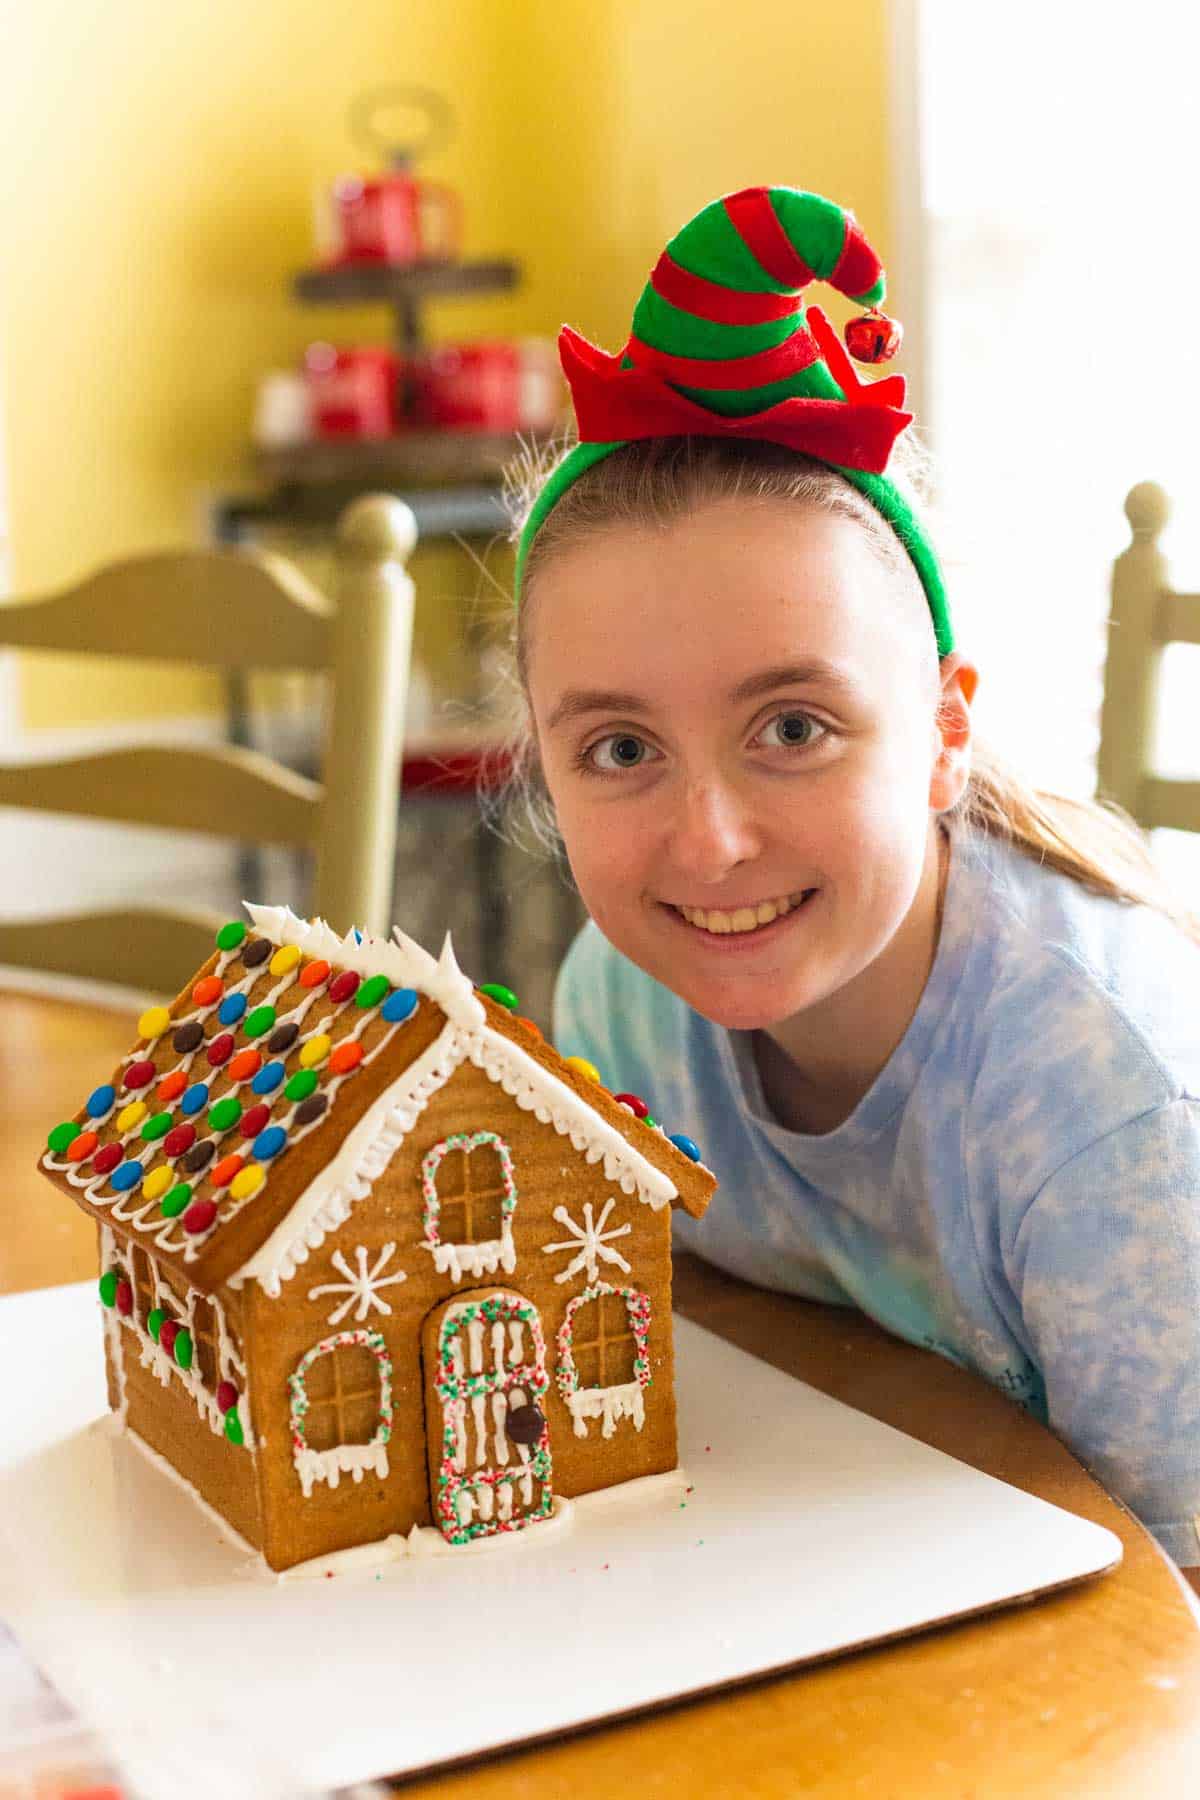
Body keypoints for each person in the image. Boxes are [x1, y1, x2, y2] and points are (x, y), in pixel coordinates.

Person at [498, 184, 1200, 1583]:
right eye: (622, 747)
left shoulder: (1111, 1128)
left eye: (794, 729)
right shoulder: (621, 1016)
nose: (708, 845)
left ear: (943, 735)